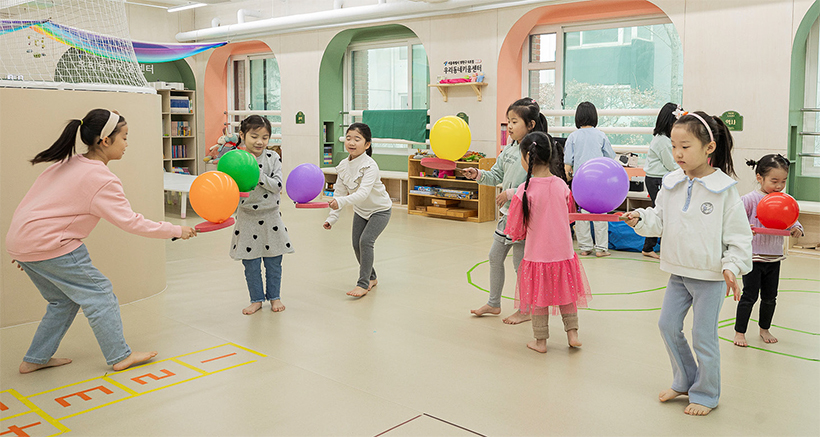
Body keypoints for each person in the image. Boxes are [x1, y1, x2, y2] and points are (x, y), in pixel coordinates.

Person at [6, 109, 197, 374]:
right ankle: (120, 355)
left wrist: (24, 247)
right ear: (105, 140)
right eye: (125, 137)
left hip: (24, 243)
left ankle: (35, 359)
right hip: (51, 246)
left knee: (63, 301)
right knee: (101, 295)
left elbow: (33, 204)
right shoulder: (101, 178)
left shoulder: (67, 162)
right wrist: (176, 229)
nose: (127, 144)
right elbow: (131, 222)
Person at [624, 111, 753, 416]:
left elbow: (740, 238)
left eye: (686, 146)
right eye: (674, 146)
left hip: (710, 277)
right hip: (678, 272)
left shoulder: (725, 190)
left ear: (709, 147)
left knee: (703, 336)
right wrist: (640, 219)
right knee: (667, 325)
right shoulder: (671, 183)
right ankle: (684, 380)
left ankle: (707, 394)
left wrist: (731, 267)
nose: (678, 154)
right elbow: (659, 220)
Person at [504, 132, 591, 353]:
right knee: (567, 292)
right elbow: (570, 213)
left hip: (537, 254)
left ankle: (540, 342)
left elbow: (515, 228)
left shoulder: (525, 190)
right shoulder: (562, 185)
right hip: (563, 251)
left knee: (539, 298)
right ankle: (573, 334)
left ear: (526, 157)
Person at [464, 97, 549, 325]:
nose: (509, 126)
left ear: (530, 125)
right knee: (494, 256)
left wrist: (511, 193)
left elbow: (538, 184)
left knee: (520, 266)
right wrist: (478, 175)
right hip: (506, 217)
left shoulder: (536, 150)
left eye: (514, 121)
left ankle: (526, 308)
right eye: (508, 121)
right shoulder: (510, 148)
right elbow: (496, 176)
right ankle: (494, 303)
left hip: (525, 219)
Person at [733, 154, 803, 347]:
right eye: (774, 181)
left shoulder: (784, 200)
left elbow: (793, 220)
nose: (779, 186)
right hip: (753, 258)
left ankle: (764, 329)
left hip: (774, 258)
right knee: (749, 296)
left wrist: (797, 229)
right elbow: (735, 220)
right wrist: (746, 229)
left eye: (783, 181)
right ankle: (740, 332)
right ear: (759, 177)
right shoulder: (749, 199)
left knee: (770, 298)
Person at [229, 115, 294, 315]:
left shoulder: (272, 158)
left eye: (265, 137)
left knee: (274, 261)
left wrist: (257, 175)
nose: (260, 142)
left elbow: (278, 185)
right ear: (242, 135)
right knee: (251, 264)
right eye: (254, 136)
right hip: (246, 217)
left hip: (271, 217)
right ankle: (256, 299)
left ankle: (275, 297)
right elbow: (229, 189)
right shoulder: (235, 159)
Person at [323, 123, 392, 298]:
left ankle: (363, 283)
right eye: (348, 138)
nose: (351, 142)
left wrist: (340, 201)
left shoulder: (370, 166)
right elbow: (339, 191)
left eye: (357, 139)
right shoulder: (343, 165)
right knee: (356, 244)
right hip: (361, 210)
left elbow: (361, 194)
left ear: (367, 144)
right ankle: (372, 277)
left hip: (380, 210)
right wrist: (332, 218)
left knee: (366, 241)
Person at [563, 101, 616, 257]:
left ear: (578, 117)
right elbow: (610, 157)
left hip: (580, 181)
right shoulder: (601, 135)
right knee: (601, 213)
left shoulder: (573, 136)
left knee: (582, 214)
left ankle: (585, 247)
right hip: (599, 181)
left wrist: (570, 178)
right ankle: (601, 248)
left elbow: (567, 164)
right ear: (594, 117)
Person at [641, 102, 680, 259]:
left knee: (663, 213)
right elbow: (671, 164)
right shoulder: (663, 141)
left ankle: (652, 246)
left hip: (658, 179)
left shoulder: (663, 139)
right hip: (656, 180)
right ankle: (649, 247)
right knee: (662, 213)